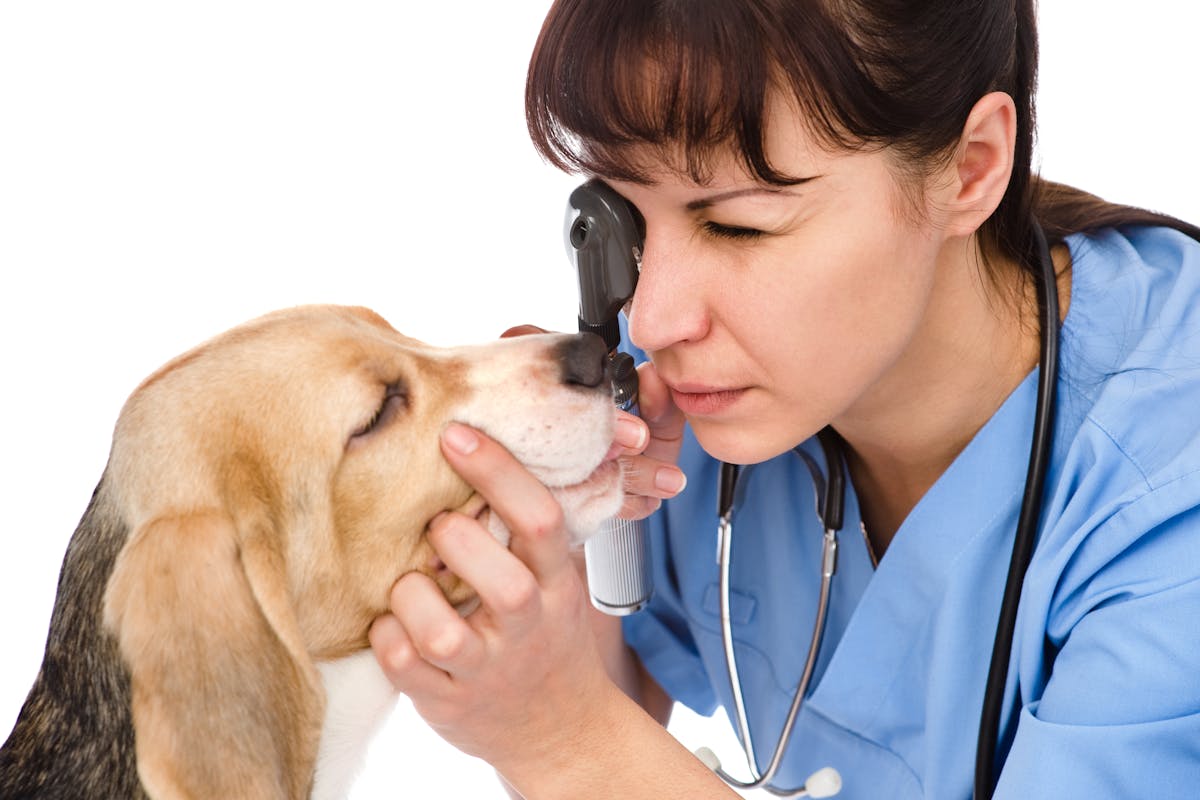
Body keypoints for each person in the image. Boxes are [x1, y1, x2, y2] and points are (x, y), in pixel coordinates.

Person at [368, 1, 1200, 797]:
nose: (652, 318)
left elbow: (588, 747)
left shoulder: (1171, 508)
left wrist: (558, 735)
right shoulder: (691, 401)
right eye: (629, 215)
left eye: (739, 226)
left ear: (971, 167)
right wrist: (562, 561)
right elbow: (614, 708)